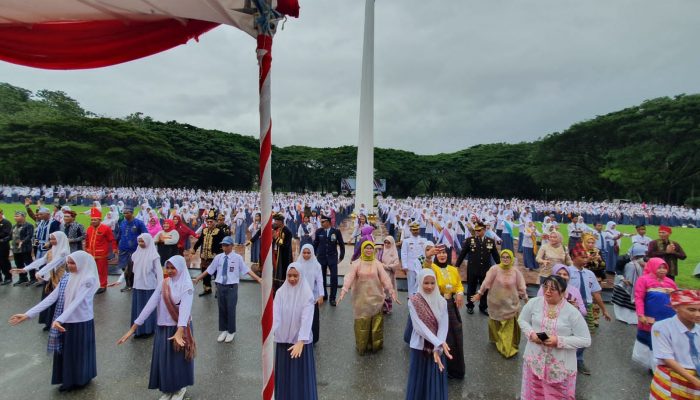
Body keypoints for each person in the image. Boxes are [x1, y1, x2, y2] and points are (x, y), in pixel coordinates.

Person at [9, 251, 99, 392]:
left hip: (80, 321)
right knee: (66, 352)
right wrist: (28, 314)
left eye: (72, 263)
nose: (69, 266)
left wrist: (59, 319)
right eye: (68, 263)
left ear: (82, 263)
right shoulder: (67, 277)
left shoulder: (89, 279)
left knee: (77, 352)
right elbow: (51, 298)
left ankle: (80, 379)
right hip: (64, 320)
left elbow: (77, 302)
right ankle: (67, 379)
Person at [117, 255, 196, 400]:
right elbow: (151, 304)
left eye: (173, 268)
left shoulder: (187, 285)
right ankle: (168, 389)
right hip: (163, 328)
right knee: (164, 361)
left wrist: (179, 331)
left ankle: (179, 388)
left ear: (181, 268)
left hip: (179, 328)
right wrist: (134, 327)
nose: (170, 271)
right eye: (168, 267)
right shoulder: (164, 283)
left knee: (178, 361)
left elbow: (185, 309)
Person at [518, 276, 591, 400]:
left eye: (553, 289)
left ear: (563, 293)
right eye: (545, 287)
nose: (547, 291)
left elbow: (585, 339)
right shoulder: (534, 303)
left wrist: (559, 341)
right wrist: (531, 333)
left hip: (560, 367)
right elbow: (522, 320)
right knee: (535, 394)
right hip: (535, 361)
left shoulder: (572, 312)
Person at [193, 236, 262, 343]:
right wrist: (198, 278)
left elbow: (246, 269)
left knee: (230, 309)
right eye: (223, 245)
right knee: (222, 309)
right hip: (220, 286)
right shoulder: (218, 257)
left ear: (232, 246)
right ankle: (224, 330)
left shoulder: (237, 258)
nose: (224, 247)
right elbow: (210, 269)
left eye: (226, 245)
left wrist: (258, 278)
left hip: (231, 286)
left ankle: (231, 331)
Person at [338, 241, 399, 355]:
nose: (369, 250)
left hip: (376, 299)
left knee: (376, 323)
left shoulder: (377, 264)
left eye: (371, 248)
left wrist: (392, 292)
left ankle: (375, 345)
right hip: (361, 300)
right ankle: (362, 345)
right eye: (366, 248)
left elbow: (385, 279)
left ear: (374, 250)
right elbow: (349, 278)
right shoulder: (356, 264)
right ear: (362, 249)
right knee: (362, 324)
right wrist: (343, 291)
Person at [272, 265, 318, 400]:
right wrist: (271, 332)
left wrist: (301, 340)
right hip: (283, 341)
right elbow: (276, 314)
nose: (292, 279)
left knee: (300, 376)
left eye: (295, 276)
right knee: (284, 375)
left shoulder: (306, 293)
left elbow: (307, 318)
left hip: (300, 345)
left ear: (301, 276)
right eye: (289, 276)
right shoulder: (281, 292)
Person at [472, 249, 527, 359]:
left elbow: (521, 287)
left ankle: (507, 349)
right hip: (495, 304)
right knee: (495, 323)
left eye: (508, 257)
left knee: (508, 327)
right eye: (503, 257)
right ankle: (496, 339)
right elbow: (485, 283)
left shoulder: (516, 272)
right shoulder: (494, 269)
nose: (505, 259)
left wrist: (526, 299)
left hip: (510, 305)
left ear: (511, 258)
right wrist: (479, 293)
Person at [406, 269, 451, 400]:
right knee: (418, 378)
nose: (430, 286)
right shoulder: (413, 301)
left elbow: (444, 325)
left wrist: (438, 346)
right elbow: (419, 327)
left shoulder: (442, 301)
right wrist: (438, 342)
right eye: (426, 283)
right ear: (420, 282)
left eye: (432, 283)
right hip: (420, 347)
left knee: (435, 376)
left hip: (438, 348)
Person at [567, 244, 611, 375]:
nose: (585, 259)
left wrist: (604, 309)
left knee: (584, 337)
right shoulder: (567, 272)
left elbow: (595, 293)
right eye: (582, 256)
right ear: (573, 258)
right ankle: (567, 359)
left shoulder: (590, 274)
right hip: (571, 308)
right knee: (569, 335)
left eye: (586, 256)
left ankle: (578, 359)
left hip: (587, 307)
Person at [13, 231, 70, 331]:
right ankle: (49, 322)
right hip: (49, 280)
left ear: (60, 239)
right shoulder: (51, 250)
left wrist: (40, 272)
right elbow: (42, 261)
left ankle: (60, 322)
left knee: (58, 302)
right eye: (51, 239)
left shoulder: (64, 251)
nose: (51, 241)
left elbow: (53, 263)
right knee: (47, 300)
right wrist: (25, 269)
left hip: (59, 280)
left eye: (54, 239)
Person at [108, 233, 163, 337]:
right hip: (138, 286)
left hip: (149, 286)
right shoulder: (135, 254)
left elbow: (159, 273)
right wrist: (119, 280)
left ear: (148, 241)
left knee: (148, 308)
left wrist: (161, 287)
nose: (140, 243)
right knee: (138, 308)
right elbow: (128, 269)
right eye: (139, 241)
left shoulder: (154, 255)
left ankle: (148, 330)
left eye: (142, 241)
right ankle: (138, 330)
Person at [649, 290, 700, 399]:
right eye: (692, 310)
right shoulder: (662, 327)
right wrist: (695, 381)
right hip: (671, 379)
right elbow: (667, 359)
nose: (698, 314)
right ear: (675, 307)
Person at [633, 257, 678, 371]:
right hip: (650, 317)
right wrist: (641, 314)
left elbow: (677, 299)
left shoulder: (670, 282)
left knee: (666, 342)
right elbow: (639, 298)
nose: (662, 270)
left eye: (664, 268)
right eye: (659, 267)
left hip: (668, 317)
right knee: (652, 340)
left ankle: (662, 366)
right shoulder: (644, 280)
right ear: (652, 267)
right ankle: (654, 367)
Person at [427, 245, 465, 378]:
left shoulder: (453, 269)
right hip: (437, 304)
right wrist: (428, 256)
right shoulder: (433, 268)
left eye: (444, 253)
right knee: (440, 335)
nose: (442, 255)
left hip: (450, 305)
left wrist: (460, 293)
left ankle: (456, 369)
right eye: (439, 253)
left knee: (455, 335)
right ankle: (440, 369)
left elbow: (459, 284)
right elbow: (424, 270)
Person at [455, 221, 500, 315]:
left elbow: (495, 255)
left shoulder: (490, 241)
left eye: (479, 230)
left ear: (484, 230)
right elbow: (462, 253)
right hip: (472, 269)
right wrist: (457, 265)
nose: (477, 232)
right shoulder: (470, 240)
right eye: (476, 230)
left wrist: (501, 266)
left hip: (485, 269)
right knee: (471, 288)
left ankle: (483, 307)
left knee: (485, 288)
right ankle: (470, 306)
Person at [290, 243, 324, 344]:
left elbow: (320, 281)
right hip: (299, 295)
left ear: (312, 253)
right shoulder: (297, 264)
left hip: (312, 296)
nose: (306, 255)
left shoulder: (317, 265)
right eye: (304, 252)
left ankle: (313, 338)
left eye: (308, 253)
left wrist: (321, 295)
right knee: (299, 316)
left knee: (312, 318)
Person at [192, 210, 226, 297]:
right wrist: (194, 248)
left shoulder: (220, 231)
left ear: (215, 222)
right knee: (205, 273)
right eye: (208, 221)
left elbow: (224, 243)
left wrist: (221, 253)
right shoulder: (204, 230)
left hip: (215, 257)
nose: (209, 223)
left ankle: (218, 291)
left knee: (217, 274)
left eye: (211, 221)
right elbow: (200, 241)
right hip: (204, 256)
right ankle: (207, 289)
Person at [115, 206, 148, 292]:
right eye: (124, 213)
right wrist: (116, 246)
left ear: (132, 213)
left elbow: (146, 235)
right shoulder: (122, 222)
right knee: (123, 267)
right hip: (122, 249)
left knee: (130, 268)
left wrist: (143, 245)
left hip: (134, 250)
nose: (125, 215)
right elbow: (119, 235)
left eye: (127, 213)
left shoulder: (139, 223)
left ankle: (130, 285)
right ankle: (130, 284)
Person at [313, 215, 344, 306]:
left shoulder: (336, 231)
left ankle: (332, 298)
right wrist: (313, 255)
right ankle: (324, 294)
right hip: (321, 258)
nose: (321, 223)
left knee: (334, 278)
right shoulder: (319, 231)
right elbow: (315, 244)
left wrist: (341, 256)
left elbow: (341, 244)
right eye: (321, 222)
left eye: (323, 222)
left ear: (328, 222)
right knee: (321, 278)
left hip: (332, 258)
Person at [612, 244, 646, 325]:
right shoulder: (622, 259)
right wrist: (623, 279)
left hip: (635, 283)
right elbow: (617, 270)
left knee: (633, 300)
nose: (639, 257)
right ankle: (621, 316)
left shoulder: (642, 260)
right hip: (622, 282)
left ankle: (632, 317)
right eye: (637, 256)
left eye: (641, 256)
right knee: (621, 297)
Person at [85, 207, 114, 293]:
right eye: (92, 220)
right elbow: (87, 240)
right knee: (92, 270)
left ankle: (102, 285)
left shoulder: (106, 228)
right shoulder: (89, 229)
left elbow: (111, 239)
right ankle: (94, 285)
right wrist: (86, 249)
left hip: (102, 254)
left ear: (100, 220)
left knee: (102, 271)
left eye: (95, 220)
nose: (93, 221)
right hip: (91, 254)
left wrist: (114, 249)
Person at [401, 222, 427, 296]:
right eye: (414, 230)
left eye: (417, 229)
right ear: (410, 230)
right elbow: (404, 254)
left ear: (419, 230)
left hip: (421, 266)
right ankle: (411, 301)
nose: (415, 231)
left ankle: (420, 302)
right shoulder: (406, 241)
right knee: (411, 285)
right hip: (410, 266)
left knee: (421, 284)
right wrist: (405, 266)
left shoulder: (424, 240)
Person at [10, 210, 34, 286]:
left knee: (28, 263)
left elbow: (29, 236)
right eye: (15, 216)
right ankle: (23, 278)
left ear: (23, 216)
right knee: (19, 264)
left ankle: (33, 278)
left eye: (17, 216)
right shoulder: (14, 226)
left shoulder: (28, 225)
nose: (15, 218)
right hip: (15, 249)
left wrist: (22, 241)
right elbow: (11, 236)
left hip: (25, 248)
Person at [379, 236, 400, 314]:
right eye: (385, 242)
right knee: (381, 289)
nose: (387, 244)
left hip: (390, 274)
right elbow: (377, 261)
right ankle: (381, 307)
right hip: (381, 273)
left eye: (388, 243)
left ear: (392, 243)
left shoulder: (394, 252)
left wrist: (387, 266)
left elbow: (396, 264)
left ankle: (388, 307)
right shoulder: (381, 251)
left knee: (388, 289)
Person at [273, 213, 293, 293]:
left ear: (281, 221)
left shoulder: (287, 231)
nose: (275, 222)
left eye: (276, 221)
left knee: (284, 270)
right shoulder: (278, 229)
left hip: (285, 255)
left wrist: (276, 238)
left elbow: (285, 244)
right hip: (278, 253)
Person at [0, 208, 12, 285]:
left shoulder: (6, 222)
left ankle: (8, 277)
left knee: (3, 261)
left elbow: (7, 233)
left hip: (3, 245)